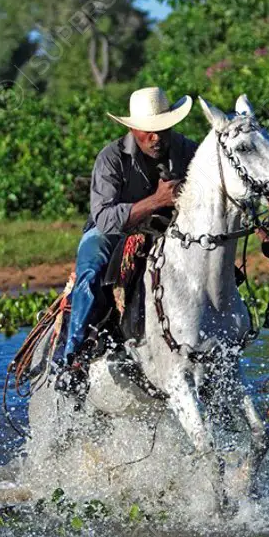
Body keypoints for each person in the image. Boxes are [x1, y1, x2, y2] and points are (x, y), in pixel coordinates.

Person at [59, 86, 199, 373]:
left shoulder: (188, 151)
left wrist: (263, 235)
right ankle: (73, 358)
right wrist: (157, 201)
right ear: (134, 129)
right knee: (92, 272)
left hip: (168, 230)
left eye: (162, 129)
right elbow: (105, 218)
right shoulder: (111, 158)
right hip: (112, 233)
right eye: (148, 130)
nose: (156, 137)